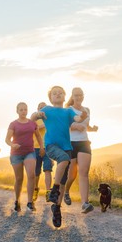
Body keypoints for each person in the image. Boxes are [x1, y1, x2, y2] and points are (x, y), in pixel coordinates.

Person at [31, 86, 88, 228]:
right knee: (64, 159)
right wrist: (38, 114)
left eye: (60, 93)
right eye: (54, 93)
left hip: (66, 147)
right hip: (51, 145)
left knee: (63, 180)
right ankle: (54, 190)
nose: (57, 94)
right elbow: (32, 118)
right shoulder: (47, 110)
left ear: (64, 97)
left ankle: (56, 208)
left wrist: (83, 116)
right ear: (50, 98)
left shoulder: (67, 111)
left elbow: (77, 118)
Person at [62, 87, 98, 214]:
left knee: (83, 172)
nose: (78, 97)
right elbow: (65, 125)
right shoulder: (68, 110)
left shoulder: (87, 110)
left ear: (83, 96)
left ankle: (85, 203)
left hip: (84, 143)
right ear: (72, 96)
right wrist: (75, 126)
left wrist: (91, 129)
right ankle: (66, 191)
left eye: (80, 95)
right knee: (72, 174)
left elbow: (85, 126)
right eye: (76, 95)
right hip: (71, 143)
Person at [5, 102, 44, 212]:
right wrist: (12, 145)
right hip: (16, 154)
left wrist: (41, 147)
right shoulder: (13, 124)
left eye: (25, 109)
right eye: (21, 110)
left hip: (29, 152)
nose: (23, 111)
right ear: (17, 111)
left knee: (31, 175)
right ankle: (17, 200)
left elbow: (38, 136)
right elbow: (7, 139)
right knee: (19, 178)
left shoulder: (32, 123)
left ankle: (30, 202)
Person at [32, 102, 54, 203]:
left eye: (43, 107)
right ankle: (35, 188)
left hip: (48, 148)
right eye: (40, 107)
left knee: (47, 169)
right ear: (37, 109)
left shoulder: (50, 120)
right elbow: (35, 128)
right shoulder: (34, 119)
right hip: (36, 148)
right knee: (36, 172)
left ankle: (48, 192)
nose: (42, 109)